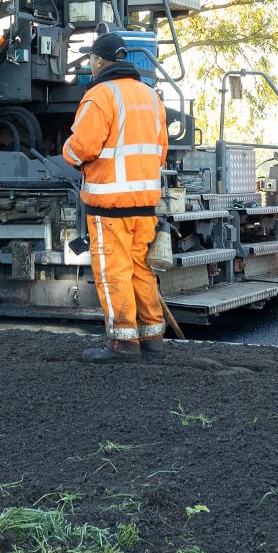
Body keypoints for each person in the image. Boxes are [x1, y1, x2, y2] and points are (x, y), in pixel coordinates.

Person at [61, 31, 168, 360]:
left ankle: (123, 343)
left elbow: (83, 147)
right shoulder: (151, 97)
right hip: (145, 204)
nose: (91, 64)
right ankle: (152, 337)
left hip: (110, 207)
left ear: (99, 60)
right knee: (140, 268)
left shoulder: (100, 96)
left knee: (114, 270)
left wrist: (67, 152)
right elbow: (160, 151)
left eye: (91, 59)